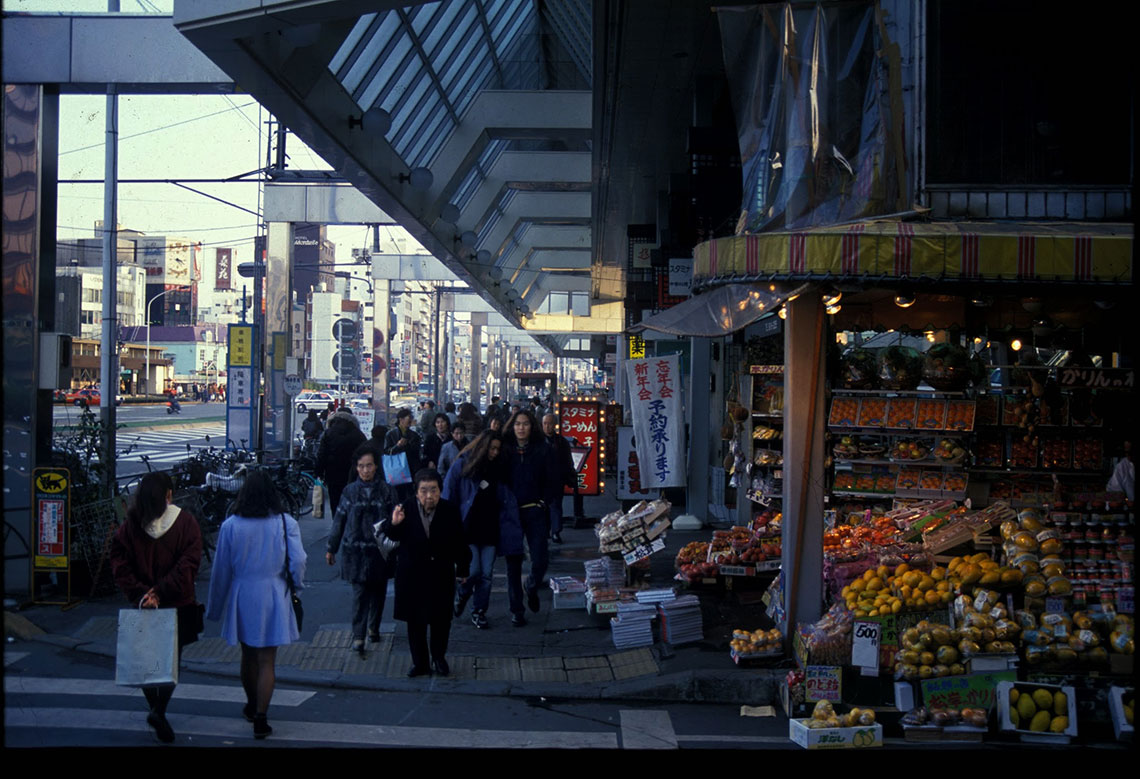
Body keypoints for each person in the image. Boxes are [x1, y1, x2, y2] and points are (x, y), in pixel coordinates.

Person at [206, 470, 306, 739]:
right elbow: (297, 561)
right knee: (267, 660)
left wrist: (214, 608)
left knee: (248, 655)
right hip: (273, 591)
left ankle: (251, 704)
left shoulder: (230, 526)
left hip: (243, 592)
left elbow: (221, 571)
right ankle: (262, 715)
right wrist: (295, 585)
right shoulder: (285, 523)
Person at [110, 471, 203, 744]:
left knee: (146, 661)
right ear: (168, 495)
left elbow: (119, 562)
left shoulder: (130, 526)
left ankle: (155, 707)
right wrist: (161, 591)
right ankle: (159, 710)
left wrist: (142, 593)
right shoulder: (186, 523)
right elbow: (189, 563)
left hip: (144, 606)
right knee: (171, 660)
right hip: (178, 602)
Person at [379, 469, 471, 677]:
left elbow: (460, 542)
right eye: (424, 491)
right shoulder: (405, 508)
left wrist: (463, 569)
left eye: (434, 490)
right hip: (413, 574)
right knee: (415, 621)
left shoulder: (449, 510)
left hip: (440, 573)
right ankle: (420, 663)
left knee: (441, 620)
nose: (429, 496)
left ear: (440, 490)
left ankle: (439, 658)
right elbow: (391, 536)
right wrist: (394, 523)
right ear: (416, 492)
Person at [443, 431, 521, 629]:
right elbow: (449, 493)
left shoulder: (499, 470)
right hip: (467, 527)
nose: (494, 453)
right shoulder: (463, 464)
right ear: (483, 446)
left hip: (491, 527)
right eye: (492, 448)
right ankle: (462, 594)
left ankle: (478, 611)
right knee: (474, 570)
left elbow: (507, 500)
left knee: (486, 574)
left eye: (497, 449)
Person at [326, 444, 397, 653]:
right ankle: (358, 635)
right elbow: (339, 520)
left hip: (380, 552)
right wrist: (331, 547)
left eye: (369, 466)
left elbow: (396, 523)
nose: (365, 470)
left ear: (376, 467)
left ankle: (373, 628)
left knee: (378, 593)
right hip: (355, 552)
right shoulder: (349, 491)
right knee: (359, 594)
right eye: (361, 466)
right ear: (356, 468)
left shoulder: (387, 490)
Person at [501, 408, 560, 624]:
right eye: (517, 424)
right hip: (511, 514)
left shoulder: (543, 450)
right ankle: (516, 609)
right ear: (512, 426)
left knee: (540, 559)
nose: (521, 428)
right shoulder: (505, 451)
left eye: (525, 423)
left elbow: (554, 479)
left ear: (531, 426)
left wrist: (545, 501)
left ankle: (532, 586)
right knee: (513, 565)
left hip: (535, 510)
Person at [315, 409, 366, 516]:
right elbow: (364, 454)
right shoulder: (358, 434)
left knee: (335, 501)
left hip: (332, 473)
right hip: (352, 474)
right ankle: (349, 525)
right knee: (352, 501)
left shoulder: (328, 433)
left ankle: (337, 525)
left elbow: (321, 455)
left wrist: (319, 472)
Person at [542, 412, 578, 544]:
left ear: (555, 425)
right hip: (541, 480)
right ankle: (545, 531)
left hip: (557, 479)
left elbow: (568, 461)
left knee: (556, 505)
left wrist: (569, 475)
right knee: (543, 507)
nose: (547, 426)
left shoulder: (562, 442)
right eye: (545, 424)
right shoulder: (538, 441)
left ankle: (556, 532)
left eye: (550, 423)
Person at [384, 407, 423, 502]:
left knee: (410, 496)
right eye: (408, 417)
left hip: (411, 470)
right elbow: (386, 452)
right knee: (397, 496)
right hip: (396, 471)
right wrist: (397, 446)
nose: (410, 420)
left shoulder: (414, 435)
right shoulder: (391, 434)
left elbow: (417, 453)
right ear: (401, 420)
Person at [1106, 434, 1134, 502]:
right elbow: (1113, 492)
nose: (1129, 456)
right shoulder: (1122, 467)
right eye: (1127, 452)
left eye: (1132, 452)